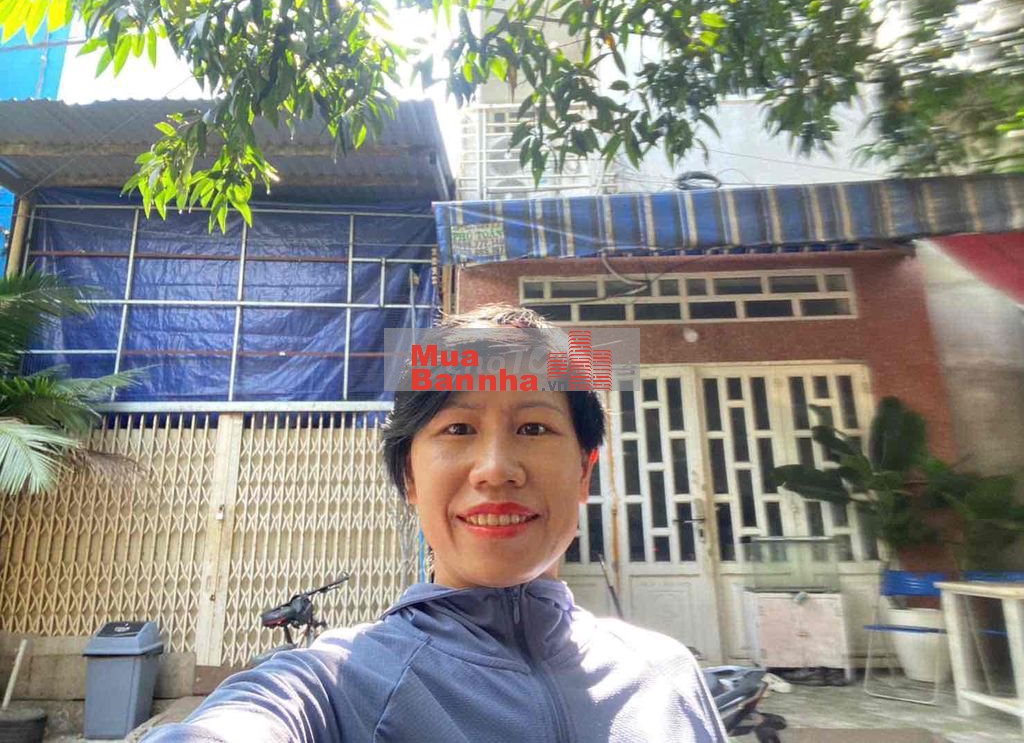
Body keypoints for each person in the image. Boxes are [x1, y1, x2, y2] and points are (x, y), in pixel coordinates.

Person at [143, 305, 727, 742]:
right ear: (410, 478)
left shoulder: (668, 675)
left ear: (584, 471)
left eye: (533, 428)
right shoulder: (331, 686)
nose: (495, 469)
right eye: (457, 429)